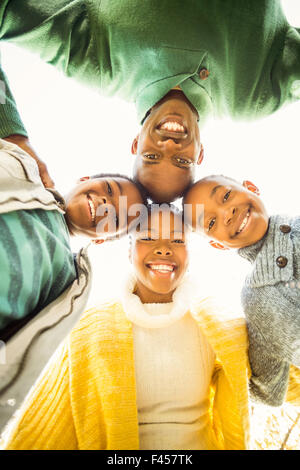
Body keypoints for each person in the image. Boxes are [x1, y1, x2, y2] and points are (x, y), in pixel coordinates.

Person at [2, 205, 252, 450]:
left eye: (177, 240)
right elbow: (51, 415)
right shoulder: (93, 326)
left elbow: (280, 378)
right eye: (148, 237)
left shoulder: (219, 322)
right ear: (129, 250)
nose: (164, 249)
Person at [0, 0, 299, 201]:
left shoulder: (100, 64)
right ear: (200, 153)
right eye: (182, 161)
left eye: (151, 156)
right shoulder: (253, 98)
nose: (169, 145)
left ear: (135, 144)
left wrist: (10, 134)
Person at [0, 138, 146, 431]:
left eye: (116, 217)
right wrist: (19, 138)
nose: (106, 204)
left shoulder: (68, 282)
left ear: (102, 238)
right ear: (82, 180)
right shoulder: (23, 167)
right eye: (108, 190)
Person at [183, 175, 300, 407]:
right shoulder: (256, 300)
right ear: (218, 244)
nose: (227, 214)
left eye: (226, 196)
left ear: (252, 187)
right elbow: (269, 391)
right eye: (211, 223)